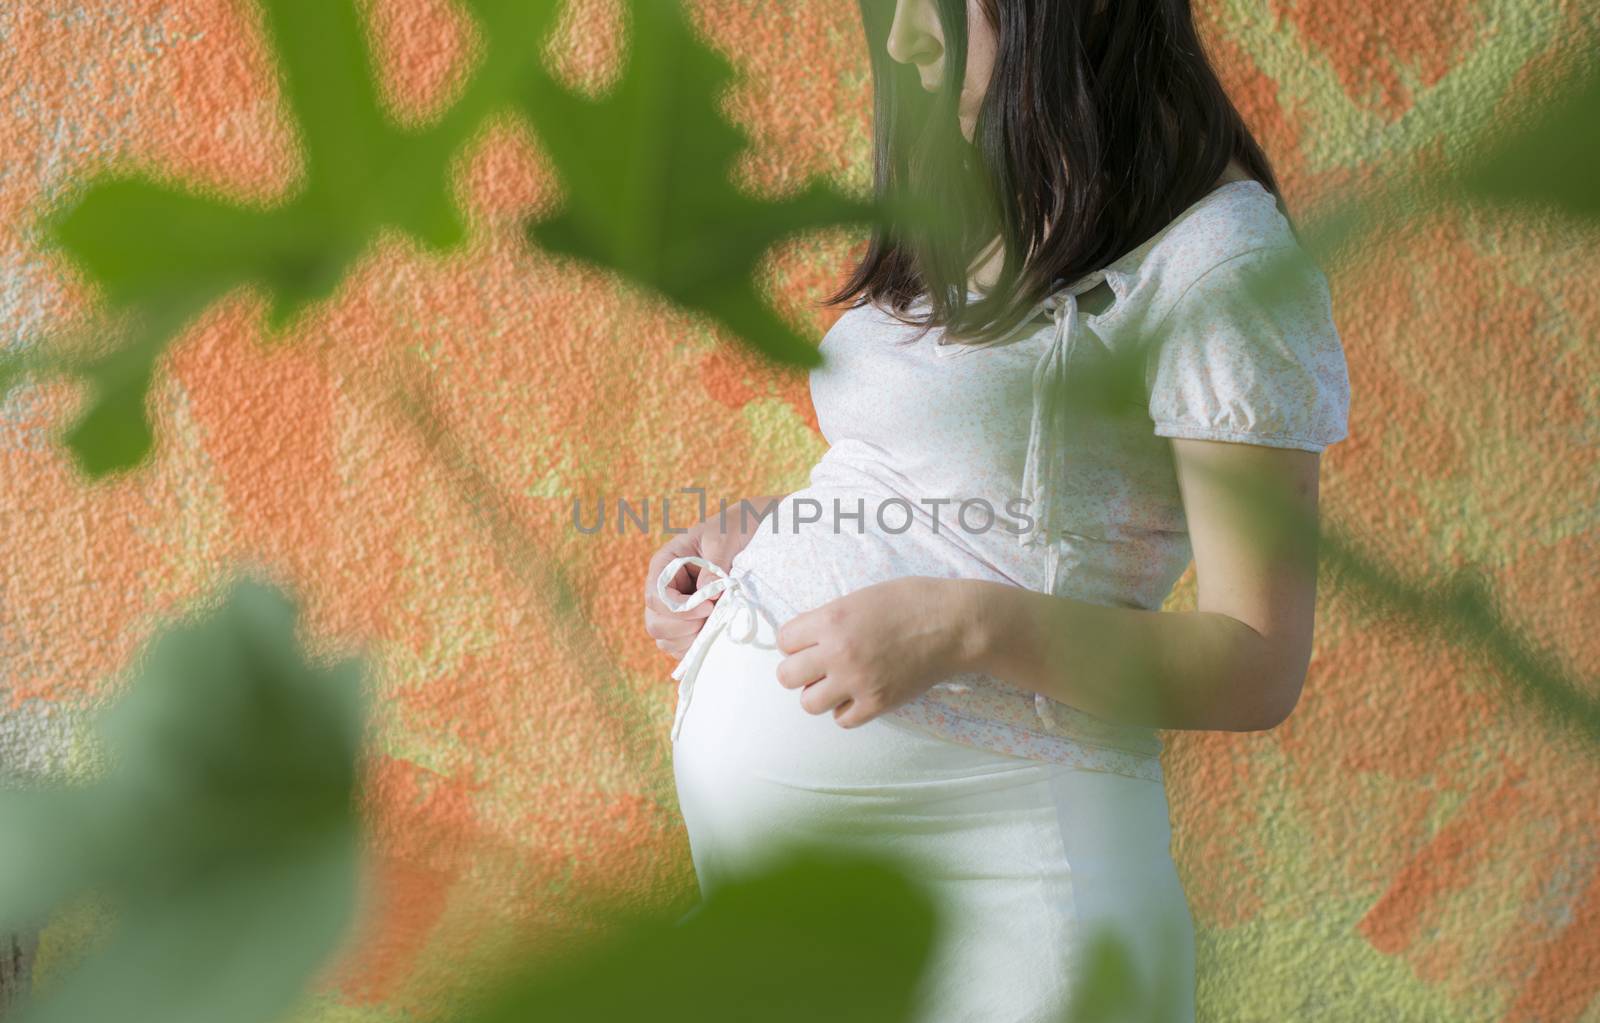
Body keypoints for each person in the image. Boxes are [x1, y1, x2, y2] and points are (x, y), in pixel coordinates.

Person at [642, 1, 1351, 1019]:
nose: (902, 45)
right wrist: (757, 546)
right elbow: (939, 475)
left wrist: (962, 626)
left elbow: (1258, 662)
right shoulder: (980, 178)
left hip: (1019, 897)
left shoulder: (1221, 262)